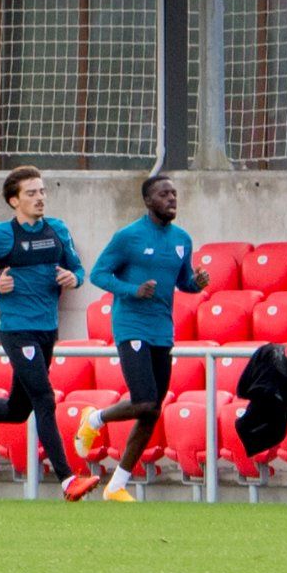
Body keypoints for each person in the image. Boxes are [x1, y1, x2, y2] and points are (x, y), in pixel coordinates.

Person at [75, 171, 205, 503]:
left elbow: (183, 281)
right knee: (144, 400)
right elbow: (99, 273)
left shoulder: (182, 239)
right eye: (164, 194)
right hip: (132, 326)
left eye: (174, 193)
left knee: (152, 411)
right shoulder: (128, 236)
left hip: (162, 329)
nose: (172, 199)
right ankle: (94, 419)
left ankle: (116, 485)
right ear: (148, 201)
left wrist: (197, 283)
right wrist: (132, 290)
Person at [0, 166, 84, 488]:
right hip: (17, 329)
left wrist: (74, 279)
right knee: (44, 398)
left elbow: (78, 269)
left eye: (42, 191)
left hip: (47, 328)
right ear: (14, 200)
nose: (40, 198)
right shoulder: (2, 235)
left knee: (17, 409)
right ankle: (68, 478)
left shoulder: (57, 229)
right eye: (31, 193)